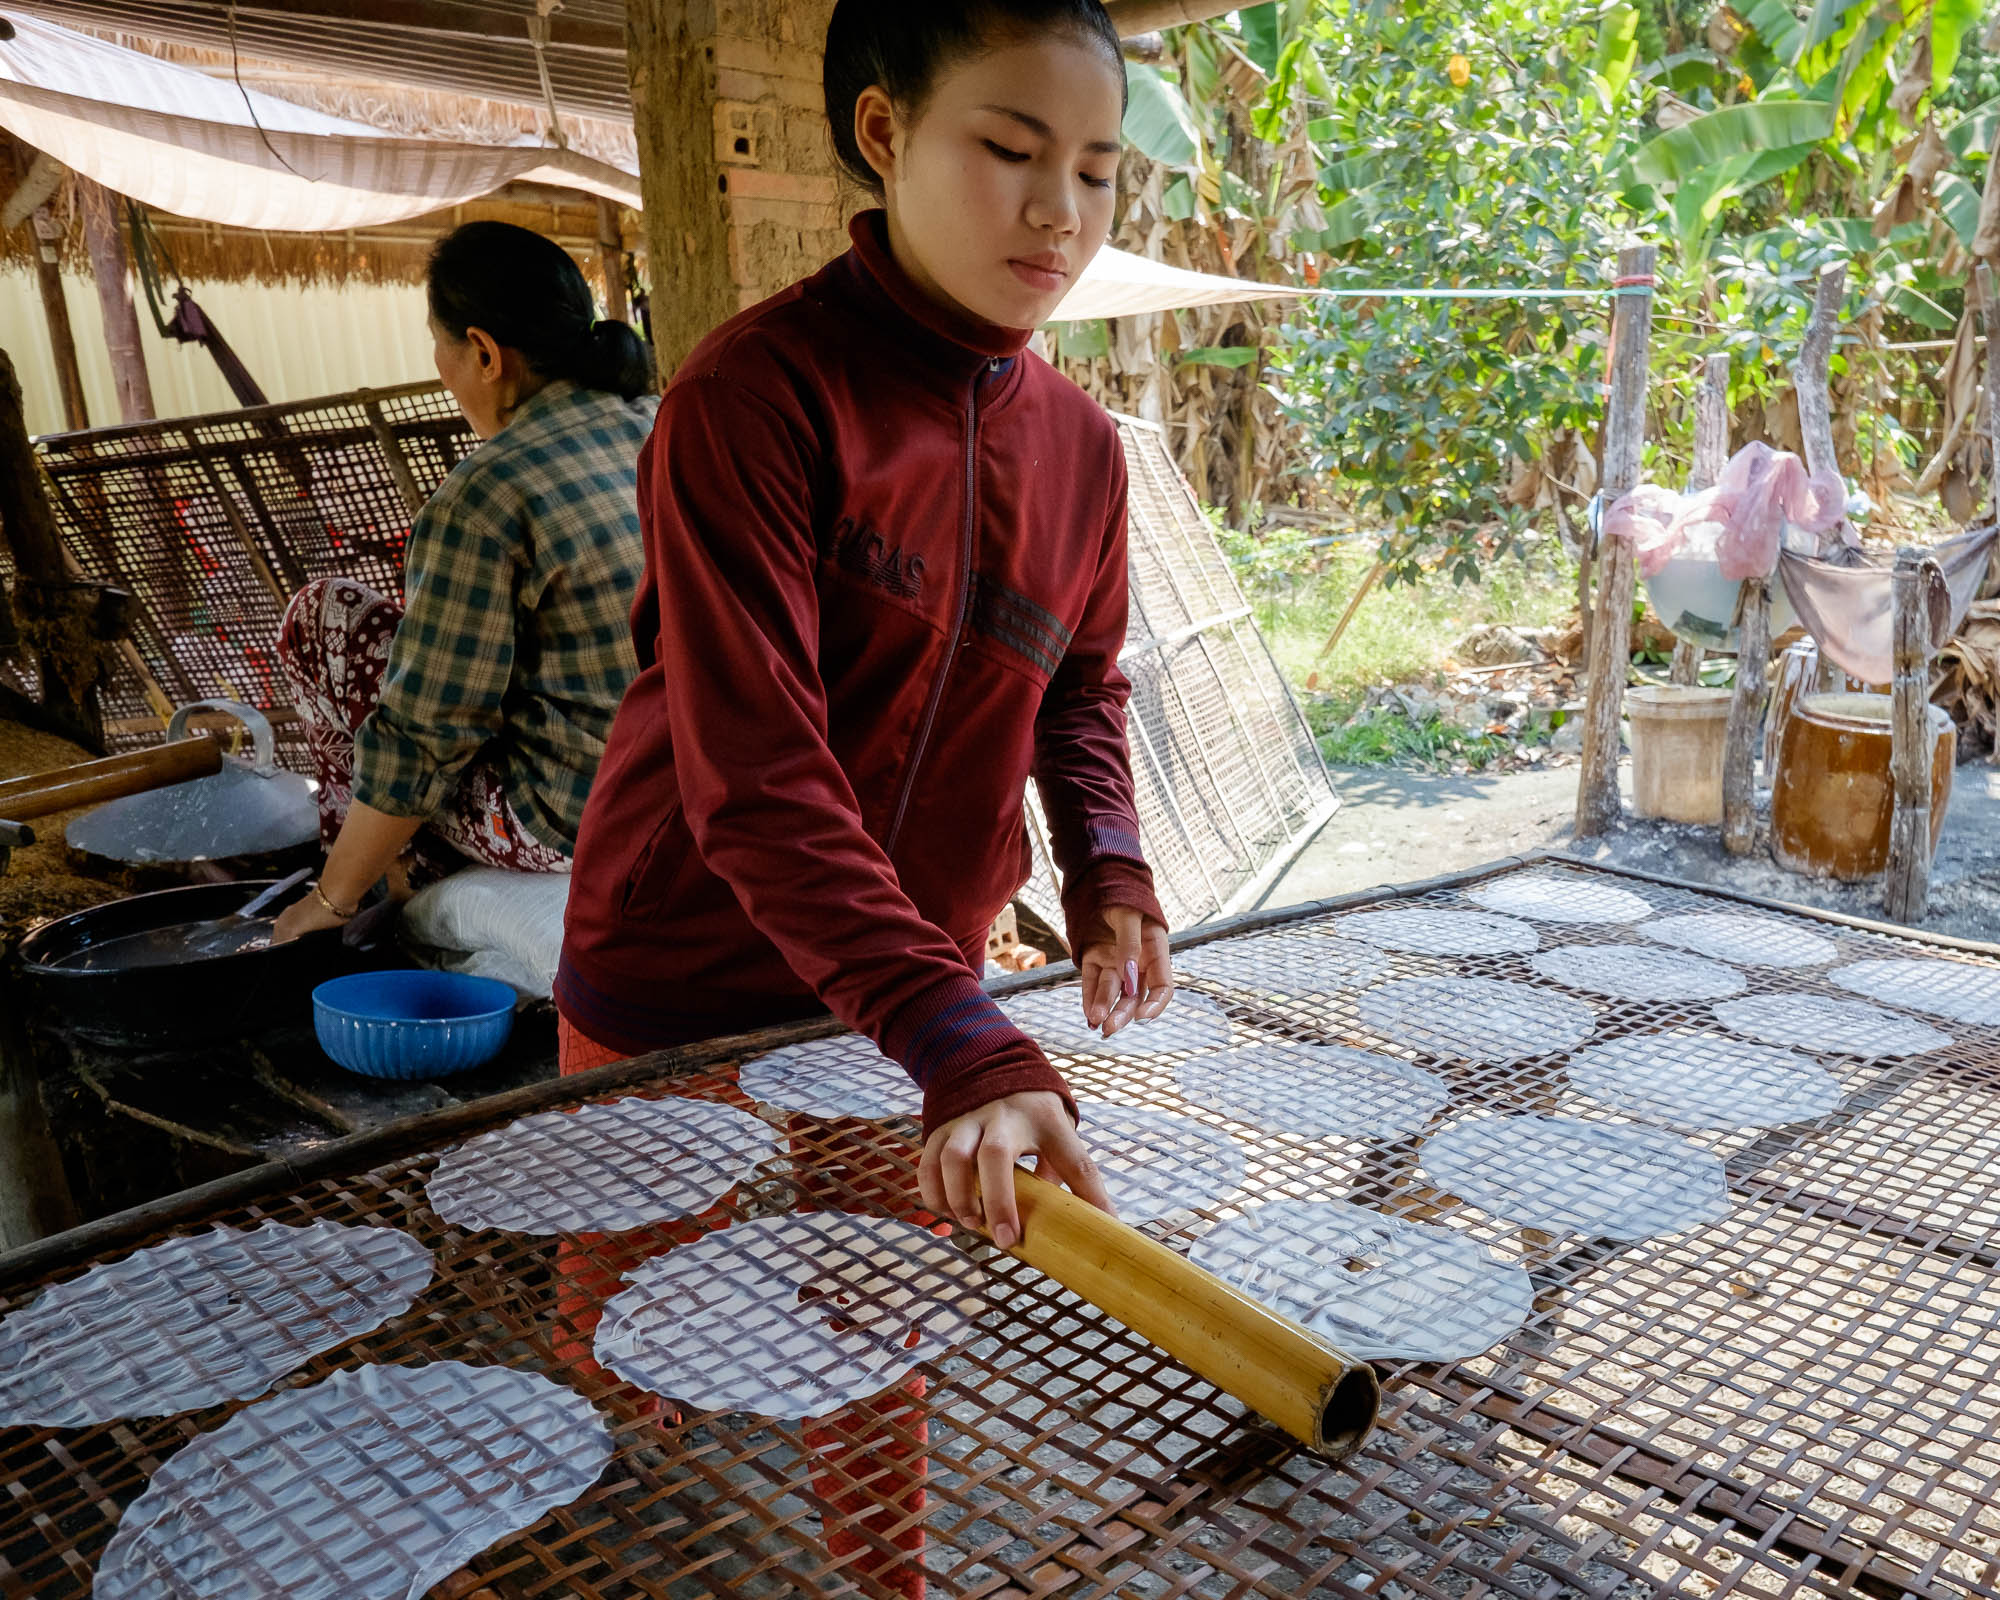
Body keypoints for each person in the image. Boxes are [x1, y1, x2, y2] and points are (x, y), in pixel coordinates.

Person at [556, 0, 1175, 1247]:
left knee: (875, 1327)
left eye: (1097, 171)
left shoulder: (1080, 449)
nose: (1061, 210)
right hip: (687, 973)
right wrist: (946, 1027)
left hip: (918, 977)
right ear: (884, 132)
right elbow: (756, 772)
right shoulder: (752, 399)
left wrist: (1107, 863)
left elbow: (1076, 691)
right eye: (1010, 150)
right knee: (636, 1354)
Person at [271, 222, 656, 943]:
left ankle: (371, 879)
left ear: (483, 352)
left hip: (580, 820)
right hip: (701, 781)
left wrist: (328, 903)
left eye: (441, 346)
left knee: (323, 617)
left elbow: (424, 734)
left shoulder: (486, 495)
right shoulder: (664, 422)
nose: (442, 368)